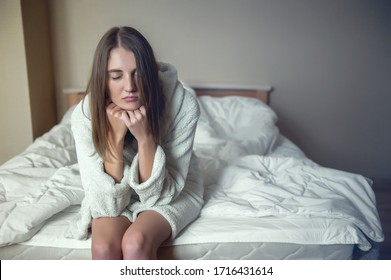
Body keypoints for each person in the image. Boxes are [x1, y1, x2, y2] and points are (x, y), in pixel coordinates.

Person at [66, 26, 204, 260]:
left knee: (135, 243)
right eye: (116, 76)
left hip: (173, 189)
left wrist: (145, 137)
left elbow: (159, 198)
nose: (129, 86)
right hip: (114, 193)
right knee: (103, 248)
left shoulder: (182, 105)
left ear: (150, 73)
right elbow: (105, 206)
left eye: (138, 73)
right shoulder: (84, 116)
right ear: (103, 79)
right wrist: (114, 139)